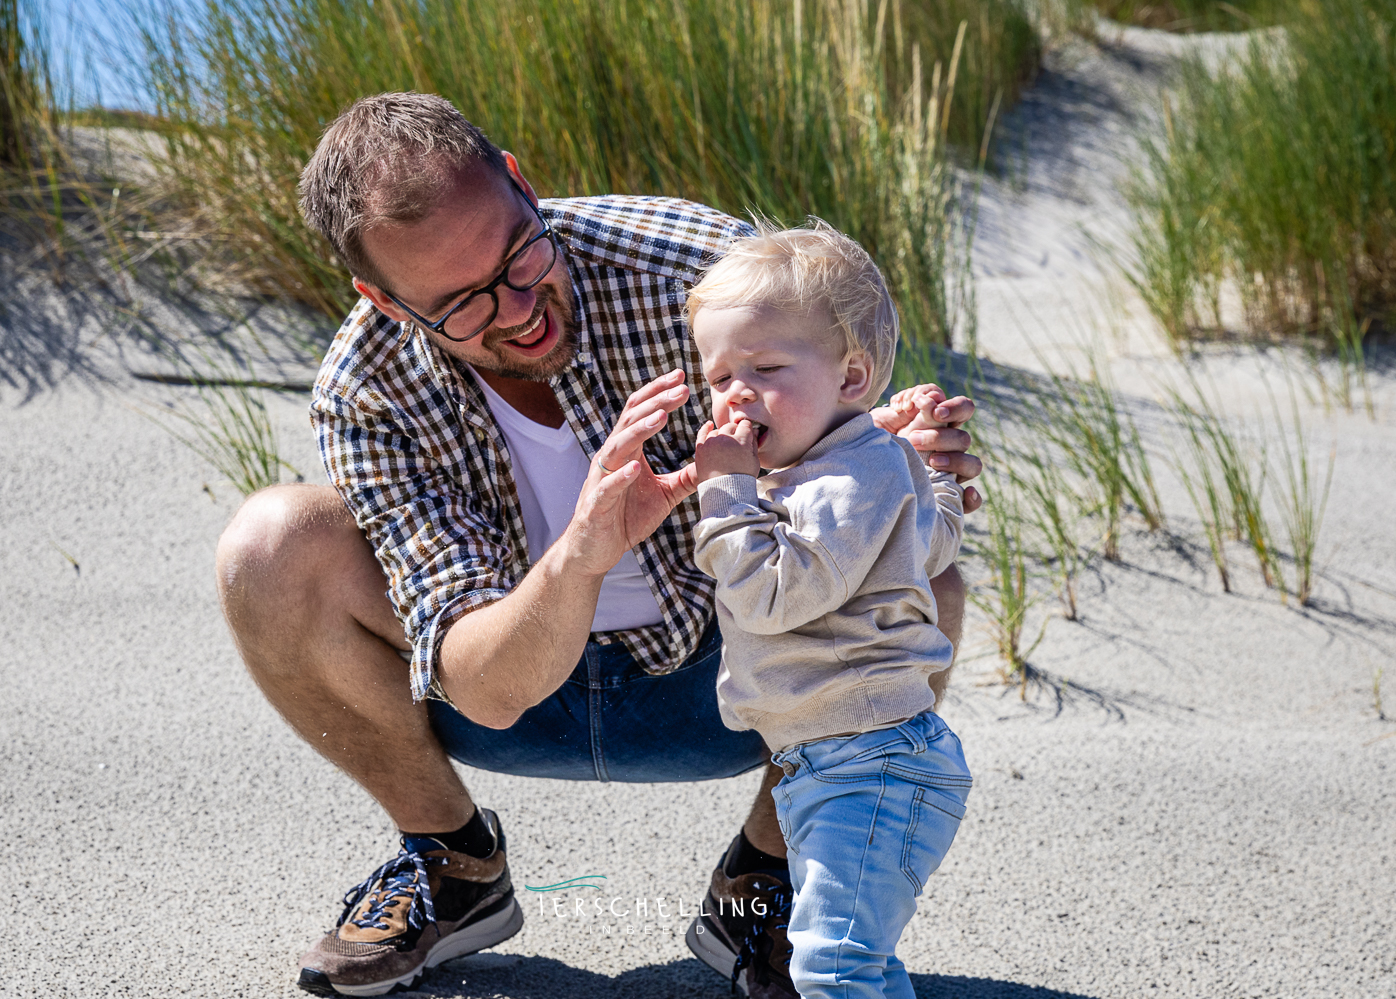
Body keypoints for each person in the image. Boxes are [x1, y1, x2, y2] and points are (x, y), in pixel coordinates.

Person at [213, 91, 982, 998]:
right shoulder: (363, 387)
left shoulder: (693, 268)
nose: (519, 308)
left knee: (929, 583)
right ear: (384, 299)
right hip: (503, 687)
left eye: (518, 254)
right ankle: (451, 864)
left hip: (730, 680)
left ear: (520, 182)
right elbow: (488, 689)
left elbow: (842, 415)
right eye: (461, 304)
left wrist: (893, 441)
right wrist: (584, 547)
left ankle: (768, 881)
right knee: (268, 544)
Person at [688, 222, 969, 999]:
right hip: (840, 763)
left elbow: (774, 594)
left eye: (766, 367)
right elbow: (934, 538)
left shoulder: (850, 476)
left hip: (870, 765)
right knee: (857, 960)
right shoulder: (855, 466)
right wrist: (930, 468)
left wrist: (724, 493)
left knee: (829, 964)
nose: (736, 392)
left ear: (853, 377)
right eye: (719, 377)